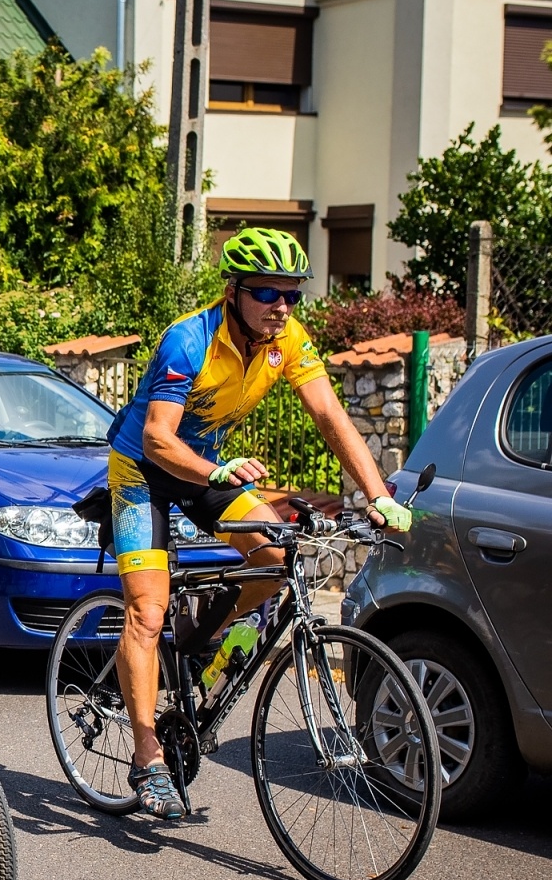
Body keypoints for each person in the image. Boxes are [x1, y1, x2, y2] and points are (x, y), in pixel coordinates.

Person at [105, 227, 413, 820]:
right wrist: (218, 474)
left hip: (211, 471)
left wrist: (378, 494)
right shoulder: (188, 341)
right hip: (145, 469)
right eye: (268, 293)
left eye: (292, 295)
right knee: (146, 612)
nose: (282, 307)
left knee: (280, 562)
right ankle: (147, 757)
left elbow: (330, 414)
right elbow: (158, 439)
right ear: (235, 292)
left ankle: (200, 641)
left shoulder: (287, 340)